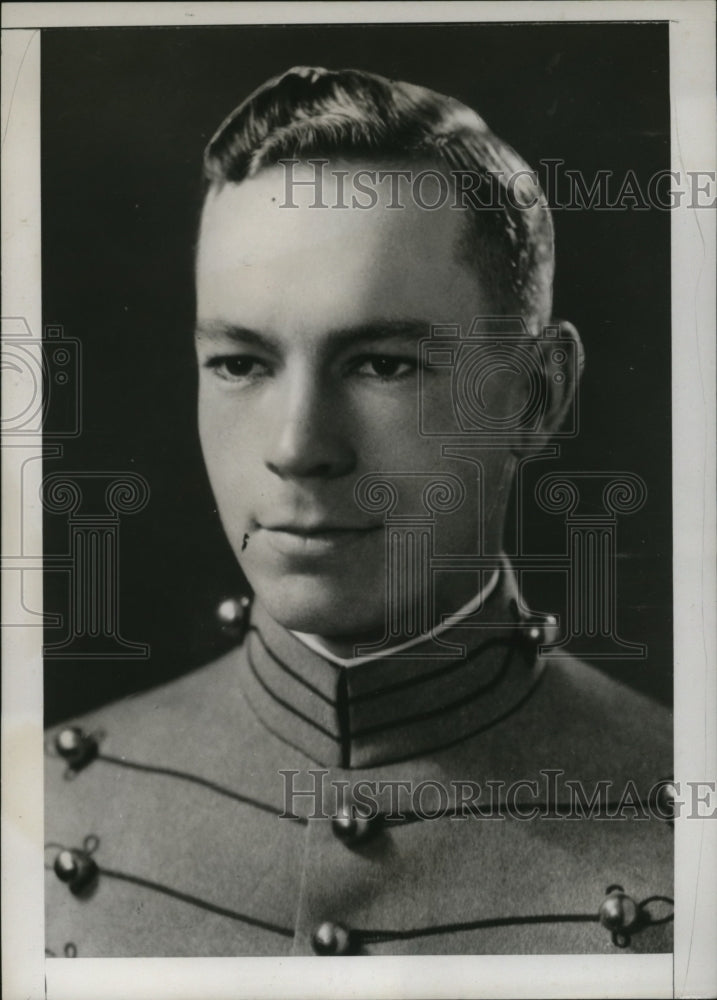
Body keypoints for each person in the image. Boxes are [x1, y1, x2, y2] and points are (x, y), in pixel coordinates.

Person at [45, 66, 673, 958]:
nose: (299, 447)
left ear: (537, 396)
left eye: (381, 364)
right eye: (240, 364)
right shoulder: (45, 802)